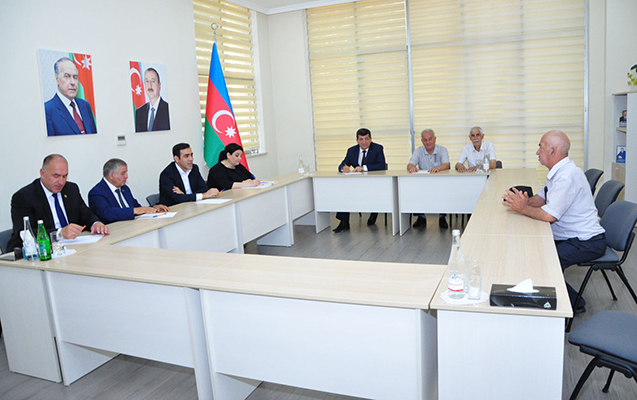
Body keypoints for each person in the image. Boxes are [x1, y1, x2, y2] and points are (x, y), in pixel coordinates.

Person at [503, 130, 605, 313]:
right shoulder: (558, 172)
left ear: (552, 151)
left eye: (540, 147)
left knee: (544, 262)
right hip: (571, 236)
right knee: (534, 252)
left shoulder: (566, 176)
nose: (537, 152)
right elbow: (541, 199)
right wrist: (523, 201)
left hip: (586, 242)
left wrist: (523, 208)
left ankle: (571, 304)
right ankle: (558, 297)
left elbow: (549, 216)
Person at [7, 154, 108, 251]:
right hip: (41, 251)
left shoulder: (71, 189)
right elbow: (24, 233)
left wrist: (96, 223)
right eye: (56, 176)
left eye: (64, 176)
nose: (61, 182)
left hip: (72, 247)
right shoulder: (24, 197)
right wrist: (59, 234)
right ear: (42, 173)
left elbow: (85, 214)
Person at [334, 128, 387, 233]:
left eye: (366, 139)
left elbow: (382, 165)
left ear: (371, 139)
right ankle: (344, 222)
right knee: (343, 191)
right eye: (361, 139)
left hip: (373, 183)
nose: (364, 142)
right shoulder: (352, 151)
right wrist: (343, 168)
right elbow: (343, 164)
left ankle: (374, 212)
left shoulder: (378, 148)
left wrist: (364, 168)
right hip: (357, 183)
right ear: (357, 140)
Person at [89, 158, 170, 223]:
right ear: (111, 175)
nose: (126, 176)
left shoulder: (125, 188)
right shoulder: (97, 192)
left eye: (126, 173)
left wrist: (153, 208)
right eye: (123, 173)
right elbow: (106, 213)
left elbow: (137, 208)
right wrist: (134, 211)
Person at [407, 128, 450, 229]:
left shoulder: (442, 150)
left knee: (443, 190)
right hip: (423, 182)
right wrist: (412, 167)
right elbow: (410, 164)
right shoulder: (418, 151)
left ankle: (442, 217)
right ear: (422, 141)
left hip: (440, 182)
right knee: (414, 189)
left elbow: (446, 165)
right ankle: (421, 217)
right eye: (425, 140)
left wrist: (437, 168)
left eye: (430, 139)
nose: (428, 142)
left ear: (435, 139)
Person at [44, 57, 97, 136]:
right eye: (67, 76)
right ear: (57, 78)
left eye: (75, 77)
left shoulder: (85, 105)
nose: (72, 82)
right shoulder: (47, 110)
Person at [135, 68, 170, 132]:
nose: (150, 85)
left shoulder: (168, 109)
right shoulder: (139, 112)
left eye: (153, 81)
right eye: (147, 81)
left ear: (159, 85)